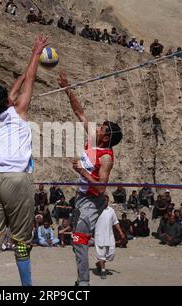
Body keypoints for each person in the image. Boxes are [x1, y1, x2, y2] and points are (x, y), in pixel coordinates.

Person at [0, 34, 49, 287]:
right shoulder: (18, 112)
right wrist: (35, 54)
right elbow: (30, 80)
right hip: (17, 181)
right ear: (8, 102)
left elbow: (14, 91)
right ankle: (27, 288)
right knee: (21, 242)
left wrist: (16, 83)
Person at [58, 71, 122, 287]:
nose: (97, 127)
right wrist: (67, 88)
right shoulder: (94, 139)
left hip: (92, 202)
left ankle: (83, 283)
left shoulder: (106, 157)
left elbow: (103, 188)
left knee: (78, 240)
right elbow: (79, 112)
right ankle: (82, 279)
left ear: (106, 137)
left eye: (102, 127)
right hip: (81, 198)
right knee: (77, 241)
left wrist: (82, 173)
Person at [95, 200, 124, 279]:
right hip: (99, 235)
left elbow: (115, 222)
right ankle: (103, 270)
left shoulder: (111, 210)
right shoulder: (96, 209)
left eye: (106, 200)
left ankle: (99, 264)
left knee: (111, 254)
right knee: (101, 254)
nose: (105, 201)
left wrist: (121, 232)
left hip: (109, 236)